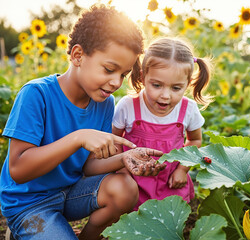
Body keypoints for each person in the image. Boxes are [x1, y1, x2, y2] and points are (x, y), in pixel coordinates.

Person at [0, 4, 166, 240]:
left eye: (123, 74)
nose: (116, 82)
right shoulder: (36, 95)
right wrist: (78, 138)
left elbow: (89, 167)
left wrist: (124, 158)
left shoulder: (104, 103)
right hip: (30, 202)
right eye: (109, 69)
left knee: (125, 188)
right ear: (78, 55)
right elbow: (18, 170)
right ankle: (20, 230)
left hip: (71, 193)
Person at [112, 37, 212, 210]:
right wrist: (122, 170)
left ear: (187, 84)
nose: (165, 95)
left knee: (170, 219)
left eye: (176, 88)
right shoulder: (128, 106)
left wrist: (182, 169)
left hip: (170, 178)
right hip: (134, 177)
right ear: (143, 78)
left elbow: (194, 140)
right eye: (157, 85)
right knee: (131, 219)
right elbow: (114, 139)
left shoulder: (188, 109)